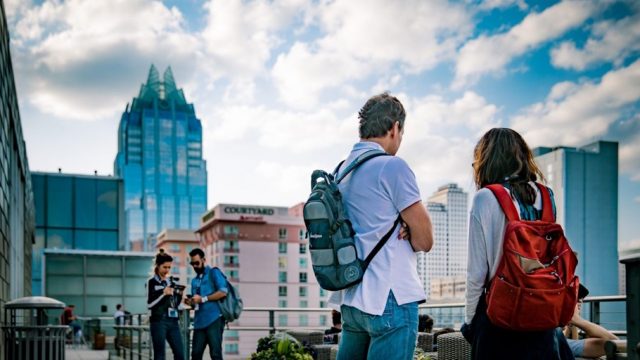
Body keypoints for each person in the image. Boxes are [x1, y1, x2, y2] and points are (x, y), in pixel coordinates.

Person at [330, 92, 434, 360]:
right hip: (390, 297)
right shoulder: (392, 167)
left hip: (352, 299)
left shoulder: (339, 172)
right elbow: (425, 241)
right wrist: (409, 227)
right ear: (395, 127)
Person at [461, 128, 574, 359]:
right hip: (541, 314)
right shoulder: (546, 195)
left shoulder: (485, 197)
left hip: (499, 315)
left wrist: (470, 322)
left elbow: (477, 272)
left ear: (486, 160)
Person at [185, 248, 228, 360]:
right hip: (199, 322)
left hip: (214, 320)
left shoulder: (214, 272)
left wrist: (203, 299)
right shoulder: (194, 280)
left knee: (215, 354)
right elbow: (196, 303)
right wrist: (190, 302)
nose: (194, 266)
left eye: (197, 263)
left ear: (204, 260)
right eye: (192, 263)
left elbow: (223, 292)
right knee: (195, 354)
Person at [147, 249, 184, 360]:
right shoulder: (151, 282)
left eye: (169, 267)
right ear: (158, 266)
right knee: (159, 356)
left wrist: (179, 296)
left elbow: (174, 304)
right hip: (158, 321)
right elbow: (150, 305)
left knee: (180, 354)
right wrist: (163, 294)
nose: (167, 270)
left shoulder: (171, 282)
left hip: (173, 321)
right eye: (165, 267)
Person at [563, 284, 618, 358]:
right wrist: (577, 320)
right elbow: (615, 343)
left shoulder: (562, 342)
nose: (580, 303)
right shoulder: (562, 344)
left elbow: (615, 344)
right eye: (577, 301)